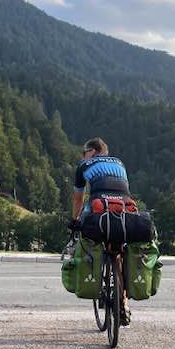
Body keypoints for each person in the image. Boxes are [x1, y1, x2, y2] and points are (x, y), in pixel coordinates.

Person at [71, 136, 132, 325]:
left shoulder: (84, 166)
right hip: (123, 205)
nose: (82, 156)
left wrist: (75, 221)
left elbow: (78, 199)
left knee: (87, 232)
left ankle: (95, 269)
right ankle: (124, 303)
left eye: (84, 152)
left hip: (99, 204)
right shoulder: (119, 163)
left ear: (94, 152)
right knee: (121, 249)